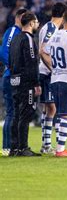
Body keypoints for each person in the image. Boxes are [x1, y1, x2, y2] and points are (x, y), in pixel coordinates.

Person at [42, 9, 67, 157]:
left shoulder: (55, 34)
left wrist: (54, 67)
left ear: (63, 20)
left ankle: (59, 146)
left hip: (55, 78)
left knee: (60, 112)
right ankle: (60, 149)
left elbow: (43, 51)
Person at [9, 12, 42, 156]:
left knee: (16, 114)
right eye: (36, 22)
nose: (37, 24)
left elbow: (10, 61)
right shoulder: (28, 39)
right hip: (26, 82)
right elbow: (32, 62)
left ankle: (14, 148)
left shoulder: (15, 38)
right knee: (26, 114)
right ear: (30, 23)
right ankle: (23, 147)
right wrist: (36, 83)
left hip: (14, 80)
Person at [38, 2, 67, 154]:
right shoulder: (51, 28)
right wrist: (53, 69)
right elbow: (42, 50)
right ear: (63, 15)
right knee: (52, 108)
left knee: (49, 109)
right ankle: (47, 145)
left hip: (46, 73)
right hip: (47, 73)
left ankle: (46, 144)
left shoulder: (49, 27)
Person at [0, 8, 27, 156]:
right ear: (20, 17)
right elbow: (3, 52)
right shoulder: (12, 31)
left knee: (15, 112)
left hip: (14, 76)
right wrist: (13, 66)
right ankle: (6, 146)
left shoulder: (20, 34)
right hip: (10, 76)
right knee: (11, 112)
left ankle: (13, 146)